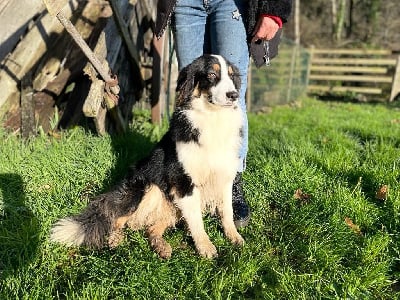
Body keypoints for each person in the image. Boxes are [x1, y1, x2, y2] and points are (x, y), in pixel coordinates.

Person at [155, 0, 292, 228]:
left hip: (233, 3)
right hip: (185, 4)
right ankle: (191, 182)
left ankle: (231, 182)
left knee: (231, 97)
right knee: (192, 96)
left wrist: (274, 11)